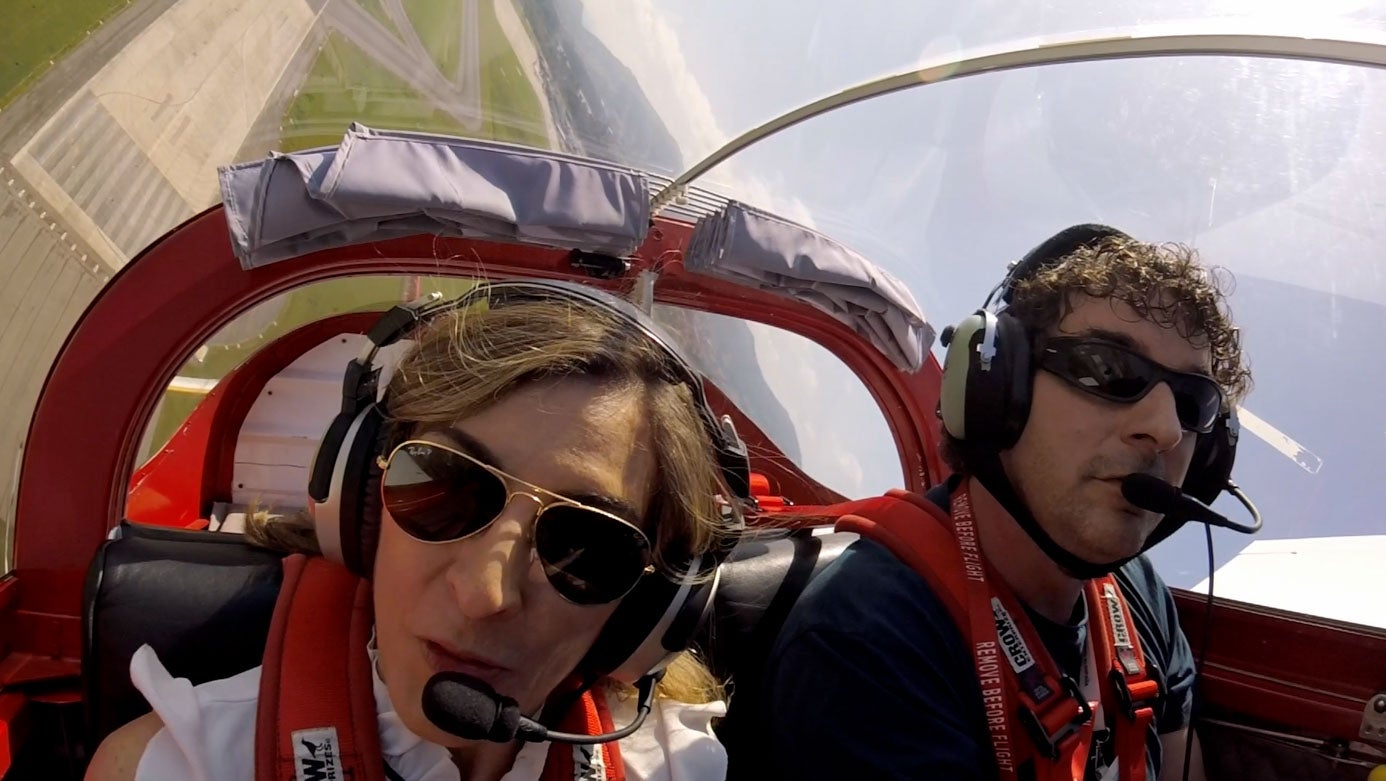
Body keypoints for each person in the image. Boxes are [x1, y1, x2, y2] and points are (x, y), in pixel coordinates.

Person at [86, 281, 745, 781]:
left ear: (648, 610)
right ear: (360, 502)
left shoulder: (675, 764)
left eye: (587, 547)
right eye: (445, 486)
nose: (485, 593)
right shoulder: (181, 764)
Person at [757, 225, 1252, 780]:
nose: (1164, 429)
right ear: (996, 389)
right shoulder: (866, 637)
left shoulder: (1139, 594)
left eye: (1193, 403)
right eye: (1110, 370)